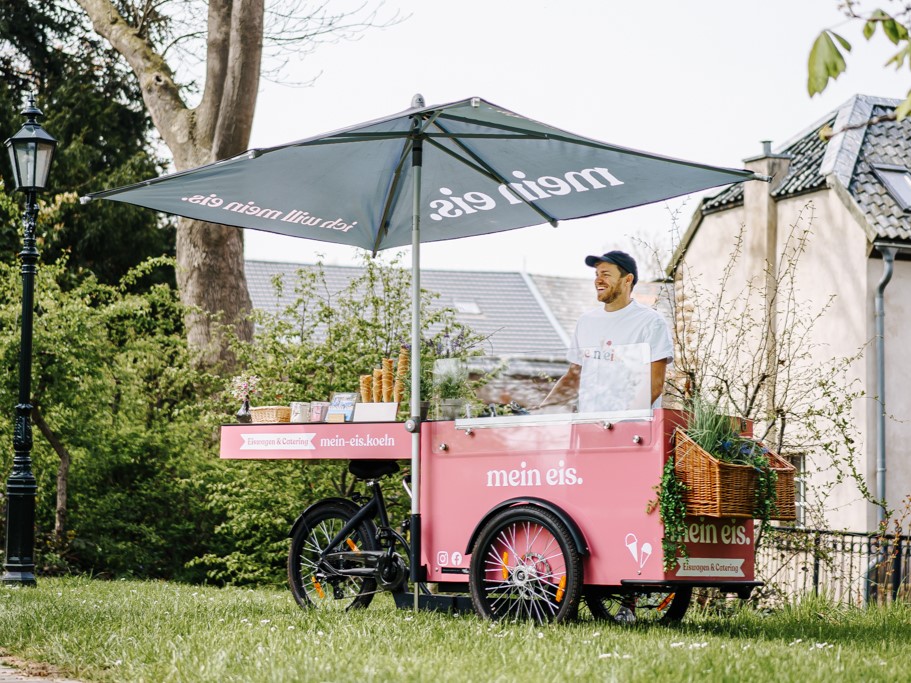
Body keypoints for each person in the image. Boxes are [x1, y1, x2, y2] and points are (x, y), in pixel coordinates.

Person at [541, 250, 673, 412]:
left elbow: (655, 385)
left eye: (605, 274)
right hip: (590, 427)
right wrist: (541, 412)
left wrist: (620, 422)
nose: (598, 280)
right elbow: (573, 377)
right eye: (596, 274)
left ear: (627, 279)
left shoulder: (651, 322)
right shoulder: (586, 322)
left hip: (633, 430)